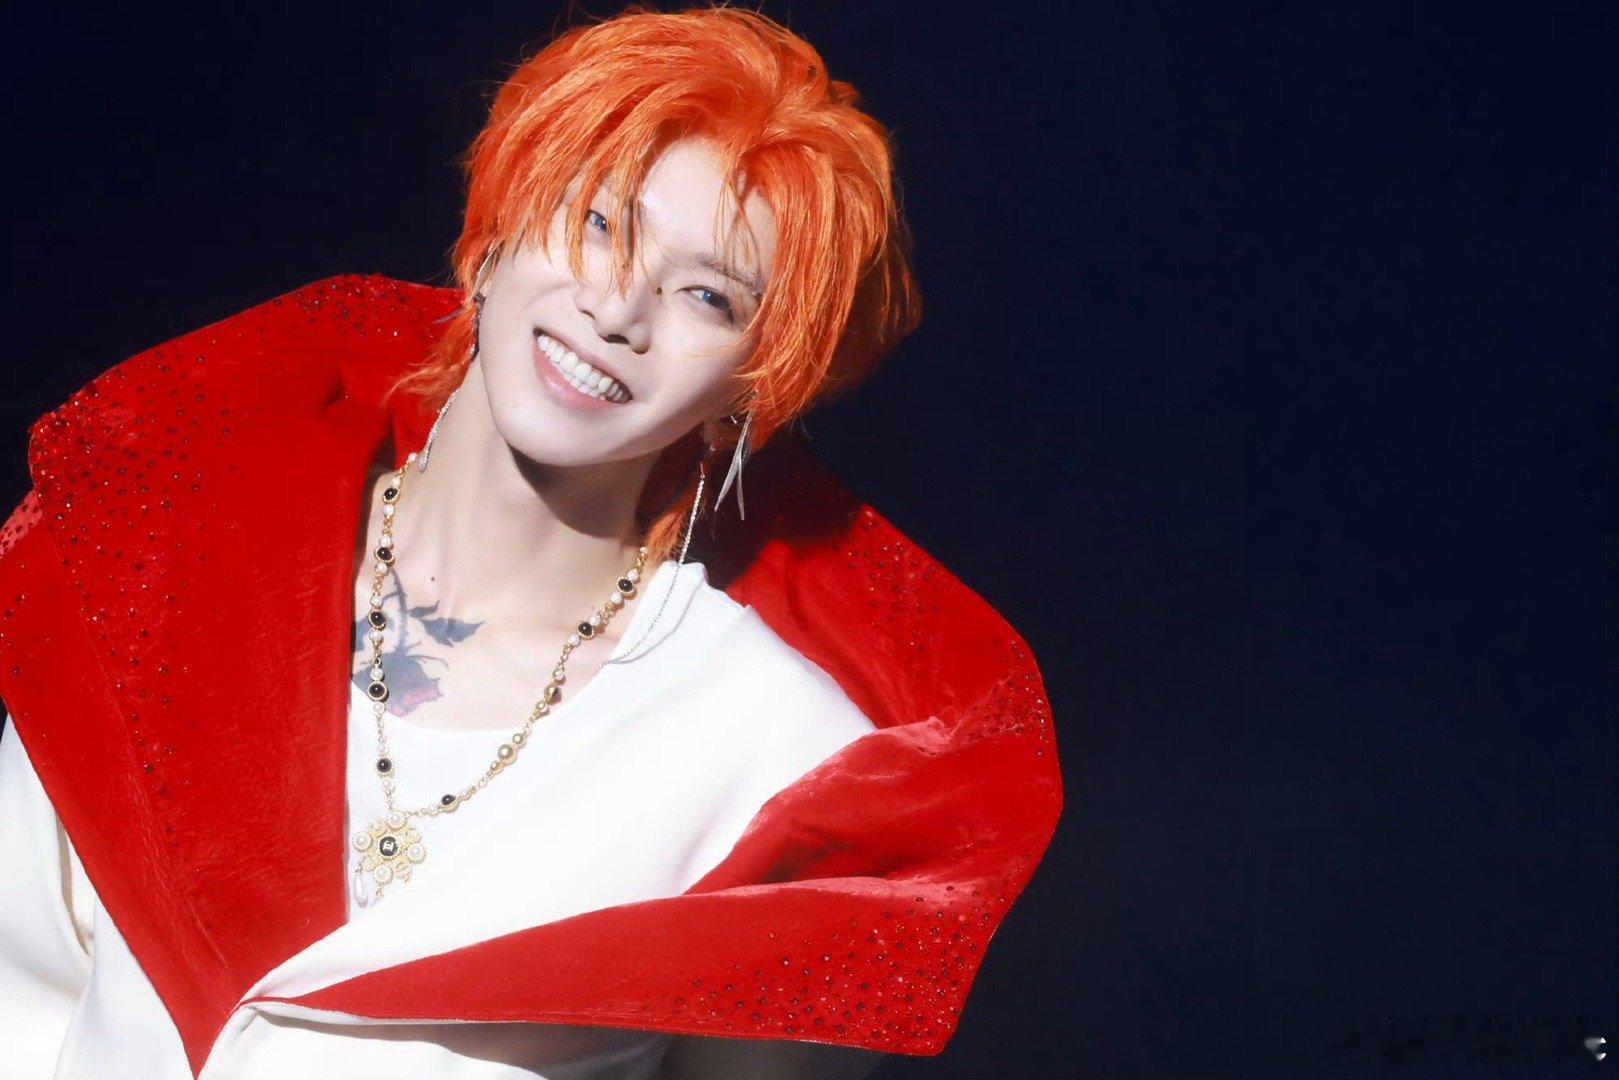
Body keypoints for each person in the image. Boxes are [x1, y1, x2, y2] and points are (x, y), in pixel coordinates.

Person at [0, 6, 1063, 1078]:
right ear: (498, 226)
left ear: (750, 390)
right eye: (599, 223)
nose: (619, 309)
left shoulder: (778, 761)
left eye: (707, 296)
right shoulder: (176, 551)